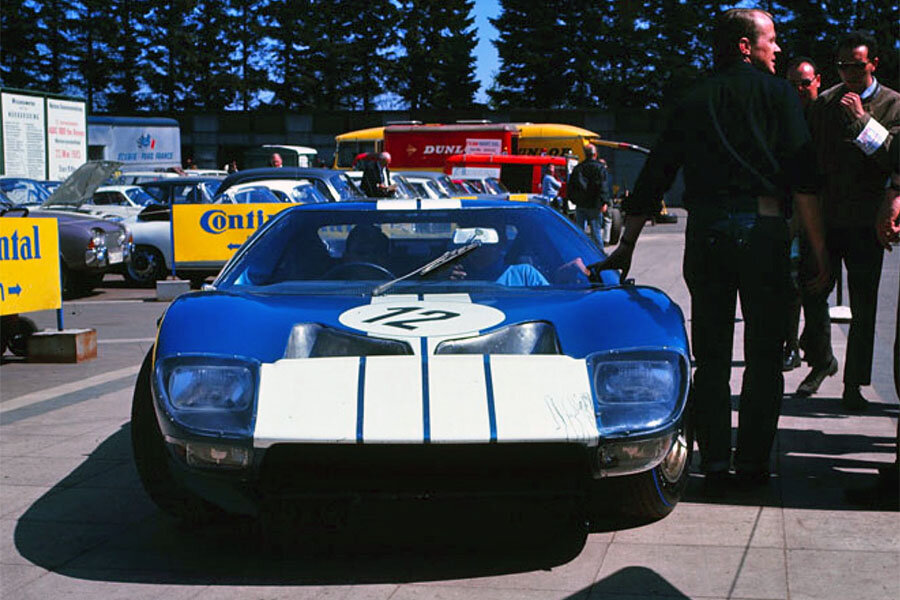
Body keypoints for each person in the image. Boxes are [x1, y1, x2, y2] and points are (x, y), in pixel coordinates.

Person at [592, 9, 828, 489]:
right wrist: (818, 253)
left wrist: (627, 246)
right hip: (763, 233)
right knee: (765, 357)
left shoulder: (692, 98)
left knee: (713, 356)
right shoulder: (781, 95)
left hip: (707, 234)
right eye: (771, 40)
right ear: (745, 45)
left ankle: (716, 463)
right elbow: (805, 184)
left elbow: (655, 174)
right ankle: (755, 464)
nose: (778, 49)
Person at [796, 30, 900, 410]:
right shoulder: (823, 104)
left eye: (857, 65)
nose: (850, 73)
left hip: (865, 222)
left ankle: (854, 384)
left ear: (874, 63)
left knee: (864, 307)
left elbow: (894, 159)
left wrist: (861, 122)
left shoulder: (893, 104)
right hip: (825, 218)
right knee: (812, 291)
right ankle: (821, 361)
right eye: (842, 66)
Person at [781, 57, 822, 371]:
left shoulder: (828, 114)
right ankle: (792, 345)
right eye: (793, 84)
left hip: (827, 209)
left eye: (805, 83)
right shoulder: (783, 116)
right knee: (792, 283)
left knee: (818, 284)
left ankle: (816, 350)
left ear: (817, 81)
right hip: (792, 210)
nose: (799, 89)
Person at [567, 144, 609, 248]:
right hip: (595, 205)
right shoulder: (600, 168)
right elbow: (603, 187)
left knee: (580, 232)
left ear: (585, 154)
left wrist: (574, 200)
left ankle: (581, 252)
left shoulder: (578, 168)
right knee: (596, 232)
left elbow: (571, 186)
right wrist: (604, 202)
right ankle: (600, 255)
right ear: (595, 154)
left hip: (581, 204)